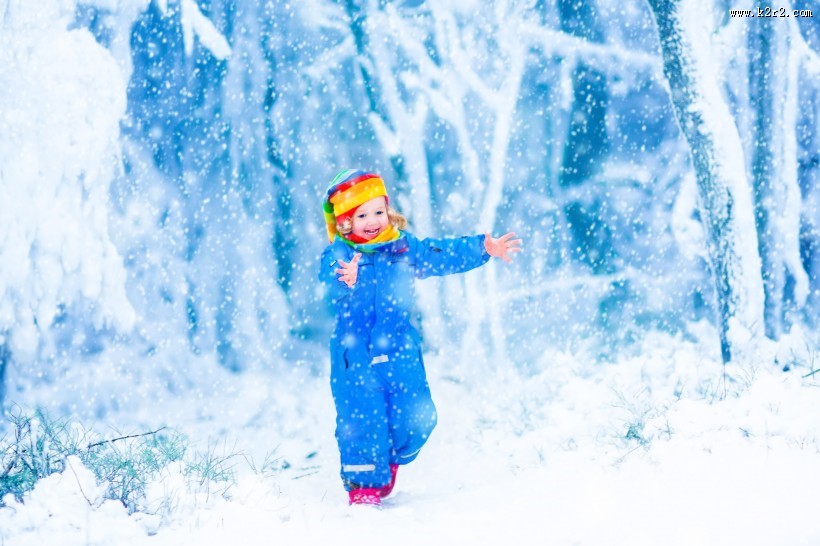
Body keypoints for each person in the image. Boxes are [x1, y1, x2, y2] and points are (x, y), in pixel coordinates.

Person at [318, 169, 521, 507]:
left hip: (398, 348)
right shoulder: (339, 254)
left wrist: (482, 248)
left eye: (378, 211)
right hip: (354, 355)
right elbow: (329, 281)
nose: (372, 221)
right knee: (361, 418)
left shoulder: (402, 248)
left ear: (388, 210)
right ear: (344, 222)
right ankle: (365, 486)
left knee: (418, 416)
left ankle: (391, 457)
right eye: (361, 215)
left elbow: (437, 254)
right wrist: (346, 278)